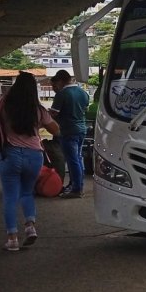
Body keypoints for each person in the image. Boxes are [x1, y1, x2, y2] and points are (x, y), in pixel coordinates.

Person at [0, 72, 60, 251]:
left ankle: (12, 239)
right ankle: (30, 226)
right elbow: (56, 130)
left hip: (9, 155)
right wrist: (39, 124)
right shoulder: (38, 110)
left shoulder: (4, 107)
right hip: (34, 156)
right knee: (27, 193)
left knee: (10, 197)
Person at [49, 70, 89, 199]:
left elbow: (53, 114)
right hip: (81, 129)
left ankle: (77, 189)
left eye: (55, 84)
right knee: (77, 159)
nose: (55, 88)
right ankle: (75, 184)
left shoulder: (62, 94)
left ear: (60, 81)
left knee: (72, 161)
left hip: (68, 130)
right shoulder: (83, 92)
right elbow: (85, 109)